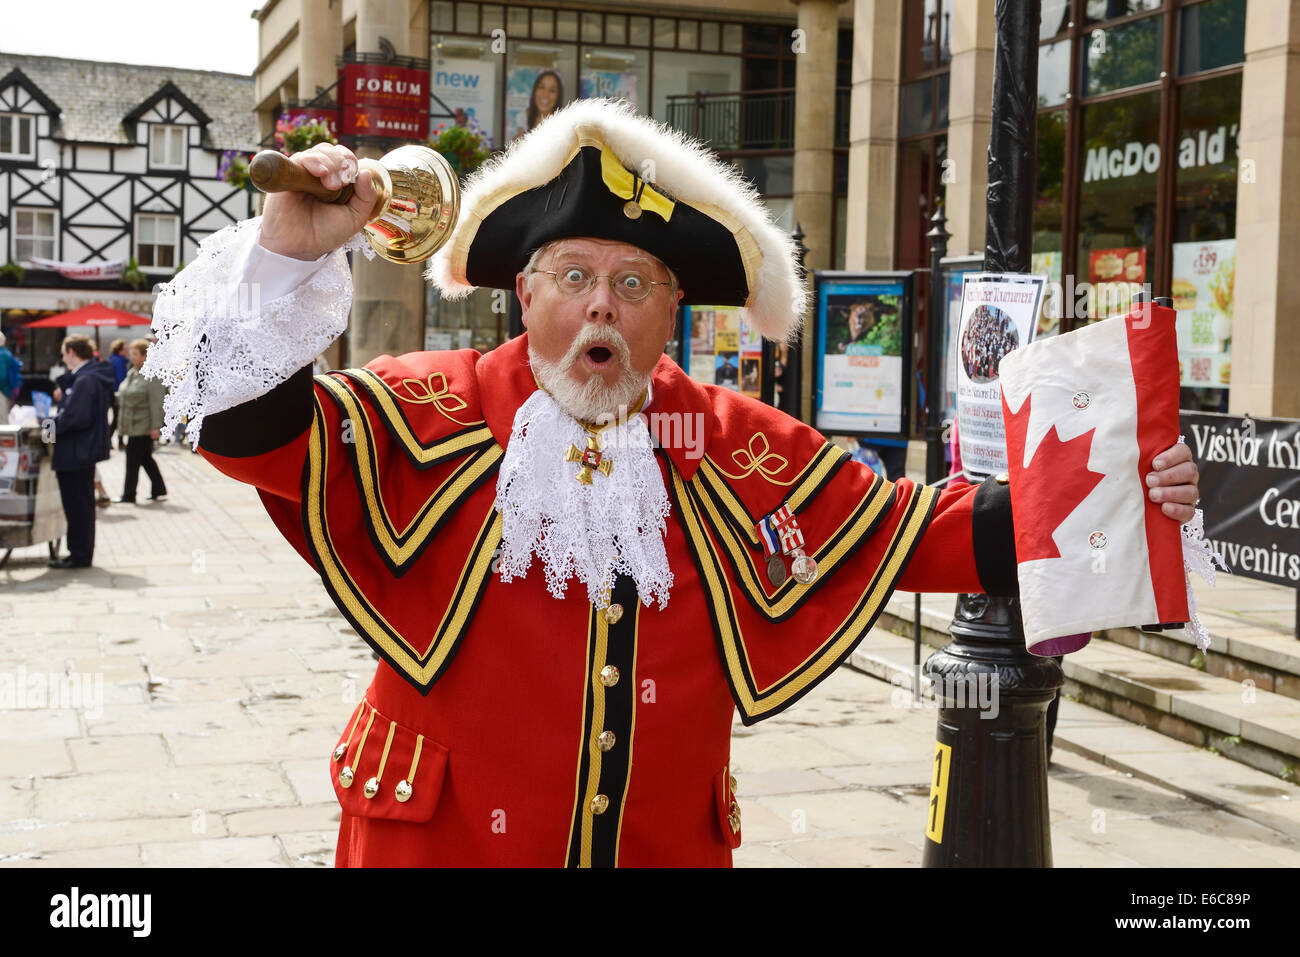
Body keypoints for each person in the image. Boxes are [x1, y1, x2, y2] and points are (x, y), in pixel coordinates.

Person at [146, 99, 1200, 866]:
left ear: (672, 313)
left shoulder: (732, 441)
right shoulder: (426, 407)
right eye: (574, 277)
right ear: (522, 291)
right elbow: (248, 430)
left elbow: (920, 531)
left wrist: (1120, 484)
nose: (600, 308)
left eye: (634, 283)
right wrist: (288, 257)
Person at [48, 335, 114, 568]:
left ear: (73, 352)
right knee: (80, 505)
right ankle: (79, 553)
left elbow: (76, 417)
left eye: (64, 353)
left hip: (76, 451)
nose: (63, 357)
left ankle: (79, 555)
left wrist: (47, 428)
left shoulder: (86, 380)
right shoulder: (86, 378)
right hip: (79, 451)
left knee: (77, 507)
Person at [114, 338, 168, 504]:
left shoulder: (152, 375)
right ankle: (159, 489)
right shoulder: (133, 372)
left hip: (143, 426)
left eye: (135, 354)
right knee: (145, 459)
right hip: (133, 424)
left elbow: (157, 402)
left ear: (145, 356)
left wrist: (156, 427)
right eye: (131, 354)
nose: (131, 357)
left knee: (133, 461)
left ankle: (128, 495)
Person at [512, 70, 563, 142]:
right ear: (534, 91)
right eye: (541, 87)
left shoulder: (563, 124)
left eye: (552, 90)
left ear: (558, 96)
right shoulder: (523, 118)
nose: (545, 94)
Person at [0, 330, 21, 422]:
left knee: (2, 420)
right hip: (7, 390)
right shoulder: (6, 353)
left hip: (3, 390)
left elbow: (2, 376)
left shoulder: (2, 354)